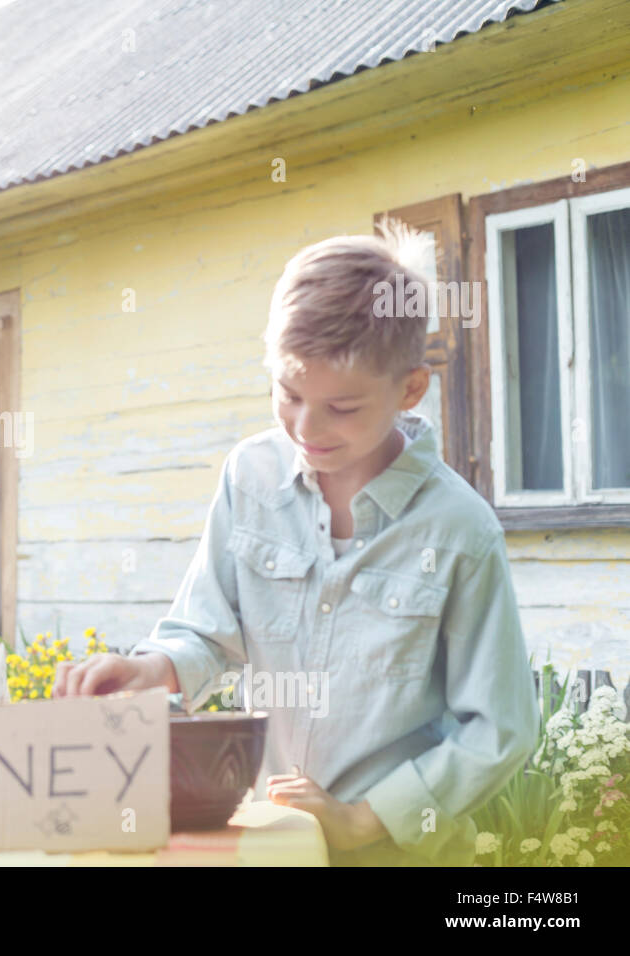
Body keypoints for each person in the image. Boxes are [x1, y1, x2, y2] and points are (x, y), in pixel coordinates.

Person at [53, 223, 539, 866]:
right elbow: (206, 631)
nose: (307, 427)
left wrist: (364, 821)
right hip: (272, 844)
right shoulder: (250, 476)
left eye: (342, 407)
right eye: (288, 394)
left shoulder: (458, 530)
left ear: (410, 389)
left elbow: (500, 729)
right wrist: (150, 671)